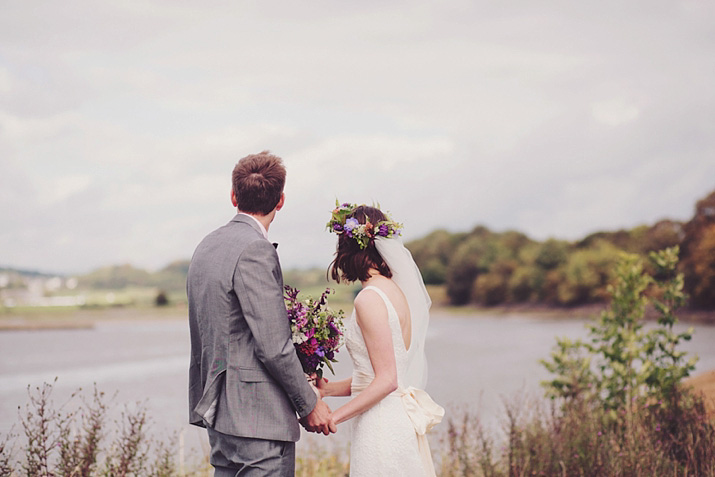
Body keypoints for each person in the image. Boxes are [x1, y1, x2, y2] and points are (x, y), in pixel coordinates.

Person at [187, 151, 335, 477]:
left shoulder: (207, 245)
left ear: (233, 196)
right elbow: (272, 345)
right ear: (280, 200)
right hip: (258, 421)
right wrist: (309, 404)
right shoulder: (255, 249)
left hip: (220, 413)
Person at [317, 203, 444, 476]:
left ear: (349, 248)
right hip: (392, 418)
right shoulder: (394, 290)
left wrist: (333, 417)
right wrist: (327, 390)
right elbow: (374, 375)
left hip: (381, 426)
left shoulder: (370, 298)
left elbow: (387, 381)